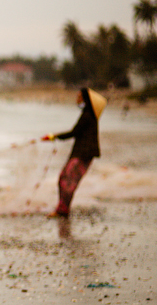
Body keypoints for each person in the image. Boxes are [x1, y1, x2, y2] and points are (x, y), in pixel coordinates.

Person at [41, 88, 107, 218]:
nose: (77, 99)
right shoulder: (88, 114)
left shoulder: (87, 115)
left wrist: (53, 136)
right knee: (66, 179)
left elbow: (74, 132)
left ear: (85, 99)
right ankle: (62, 209)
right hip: (82, 152)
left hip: (83, 153)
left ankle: (62, 210)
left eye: (79, 96)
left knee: (66, 180)